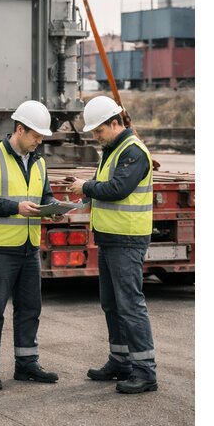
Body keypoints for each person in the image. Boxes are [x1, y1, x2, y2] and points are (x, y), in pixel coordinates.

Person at [68, 95, 158, 394]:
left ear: (115, 123)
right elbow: (105, 186)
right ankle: (120, 361)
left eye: (99, 131)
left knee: (130, 305)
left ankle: (145, 371)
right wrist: (84, 199)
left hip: (127, 240)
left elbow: (118, 189)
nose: (96, 136)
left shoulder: (133, 152)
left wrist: (87, 186)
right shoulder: (113, 149)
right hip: (109, 239)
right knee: (112, 303)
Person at [0, 100, 60, 391]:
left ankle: (27, 365)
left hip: (28, 248)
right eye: (36, 135)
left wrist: (54, 207)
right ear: (19, 129)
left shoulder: (39, 162)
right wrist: (15, 208)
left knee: (30, 309)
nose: (39, 141)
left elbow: (44, 195)